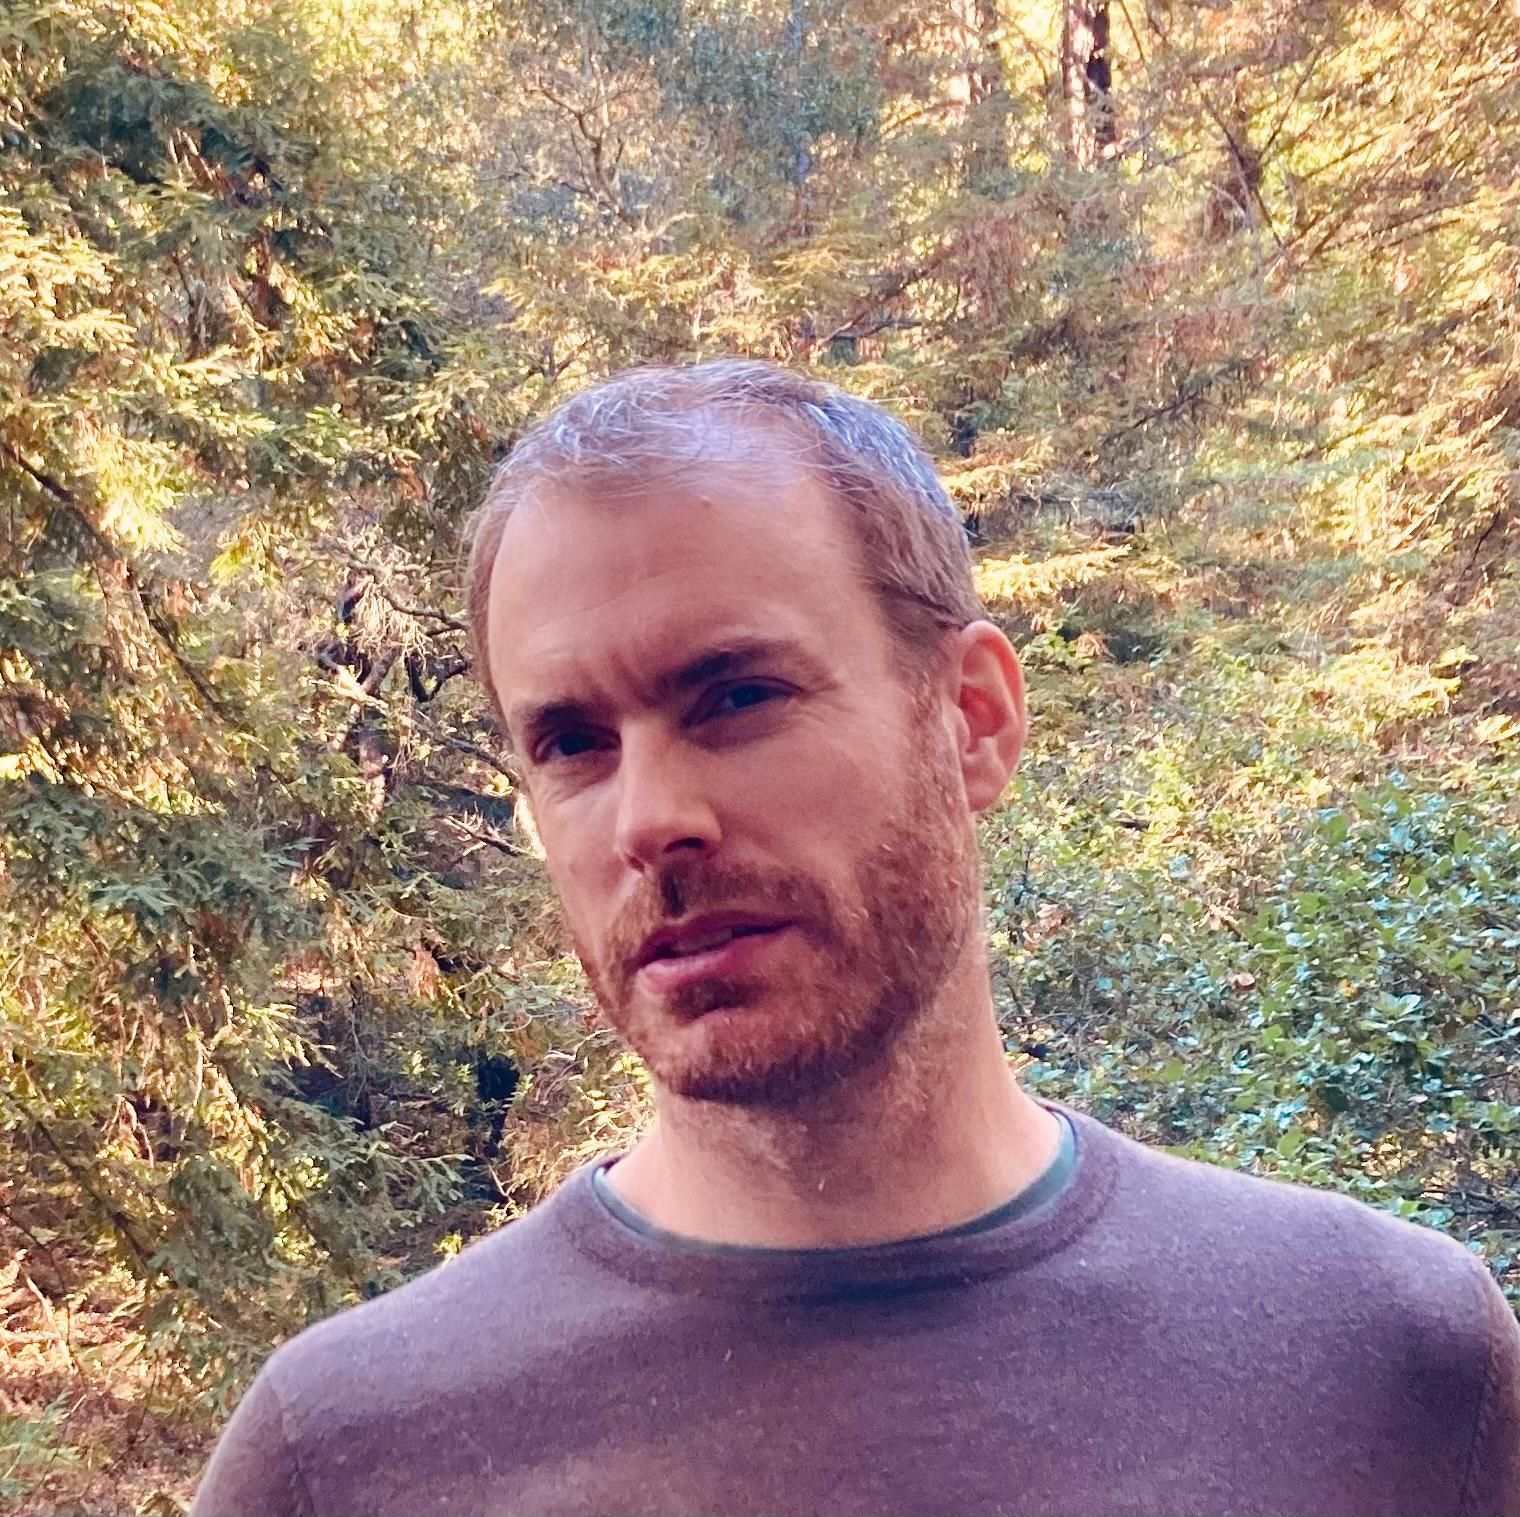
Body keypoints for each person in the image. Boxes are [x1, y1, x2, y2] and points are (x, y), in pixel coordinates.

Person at [190, 360, 1520, 1517]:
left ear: (974, 719)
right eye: (574, 744)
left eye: (736, 696)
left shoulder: (1386, 1362)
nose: (650, 819)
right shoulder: (347, 1453)